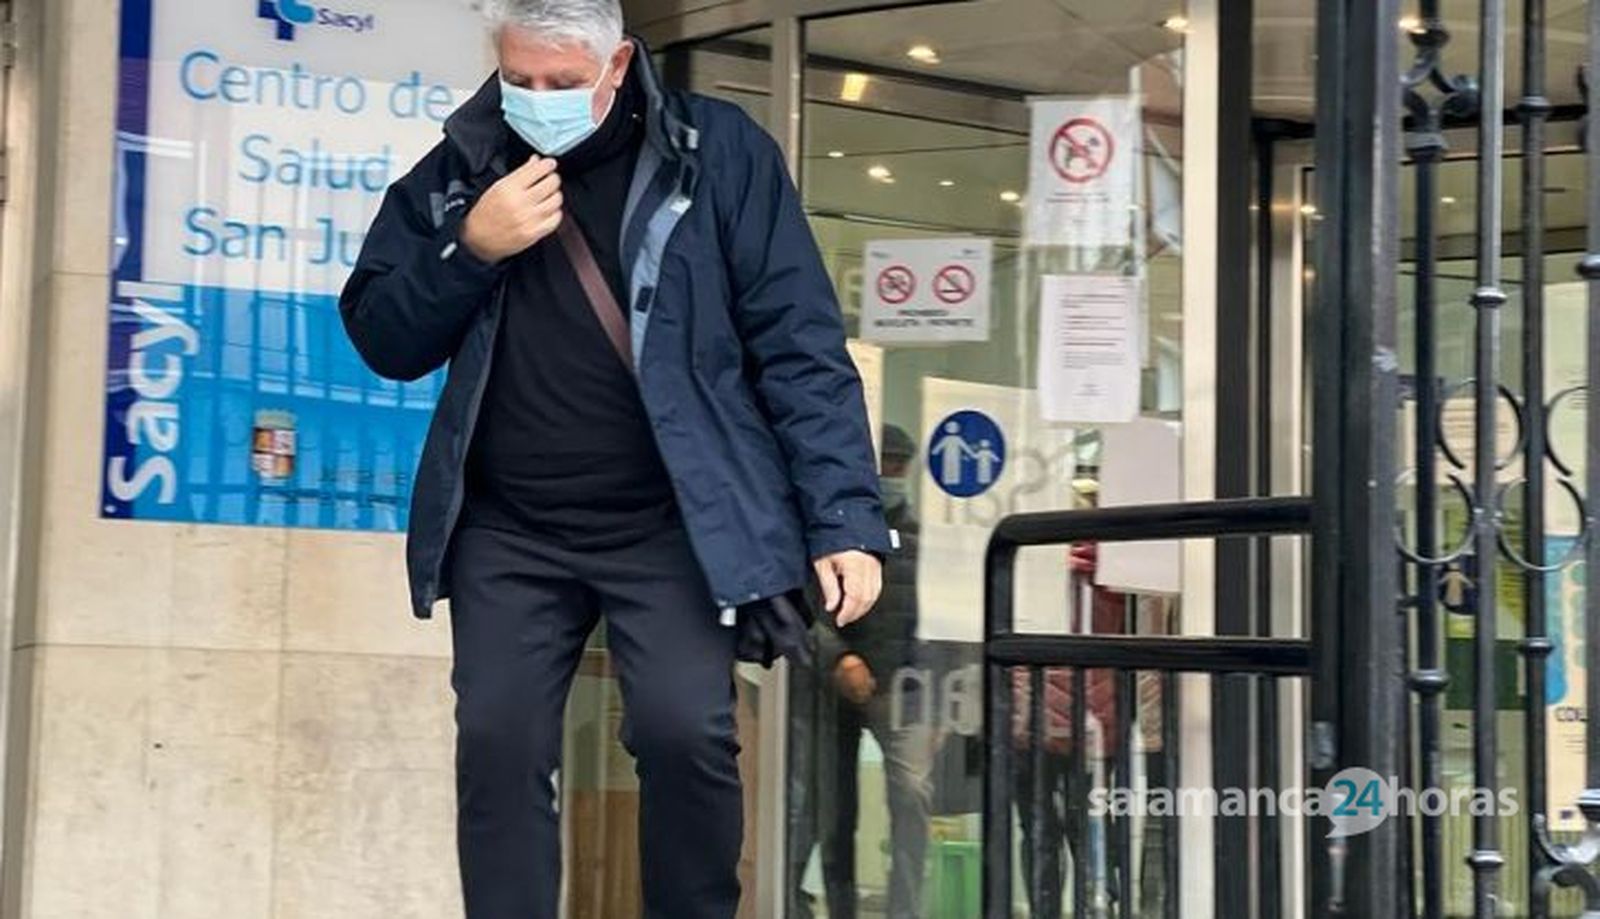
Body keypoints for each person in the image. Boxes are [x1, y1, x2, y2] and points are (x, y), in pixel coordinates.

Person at [337, 2, 891, 916]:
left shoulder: (719, 154)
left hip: (670, 520)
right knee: (499, 741)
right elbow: (381, 334)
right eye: (519, 79)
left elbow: (798, 341)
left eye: (562, 82)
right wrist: (470, 248)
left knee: (686, 732)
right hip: (510, 527)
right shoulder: (464, 167)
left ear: (620, 63)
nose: (537, 99)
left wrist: (845, 518)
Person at [818, 425, 933, 919]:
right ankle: (839, 907)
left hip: (902, 691)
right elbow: (806, 608)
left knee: (911, 801)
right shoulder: (833, 530)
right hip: (834, 689)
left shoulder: (922, 538)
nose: (892, 472)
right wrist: (838, 658)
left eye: (899, 463)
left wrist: (928, 691)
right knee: (833, 810)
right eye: (885, 461)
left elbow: (935, 619)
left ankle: (903, 911)